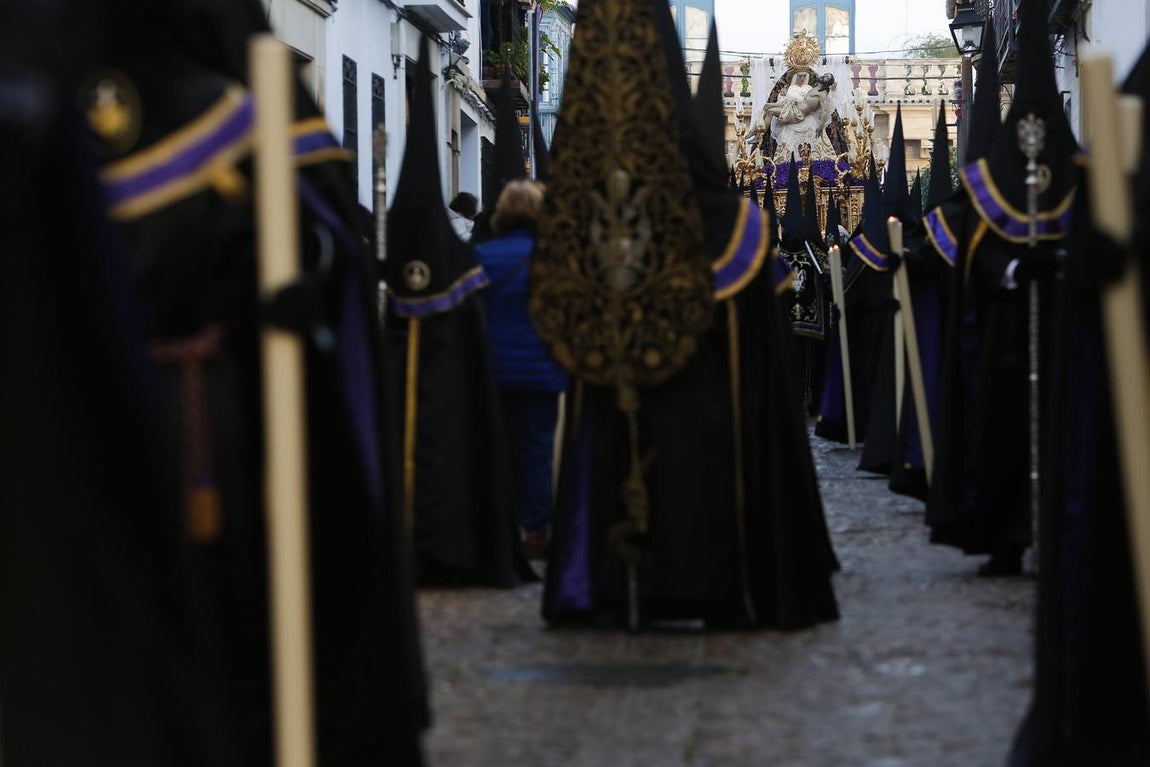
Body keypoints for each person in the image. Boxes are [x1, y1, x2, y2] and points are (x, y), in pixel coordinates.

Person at [538, 0, 838, 631]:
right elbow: (770, 394)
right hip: (710, 446)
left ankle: (612, 577)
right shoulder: (738, 230)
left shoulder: (593, 221)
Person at [473, 180, 567, 560]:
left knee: (494, 450)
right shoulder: (554, 261)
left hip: (492, 370)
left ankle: (494, 527)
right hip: (541, 372)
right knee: (536, 453)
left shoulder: (481, 257)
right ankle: (536, 530)